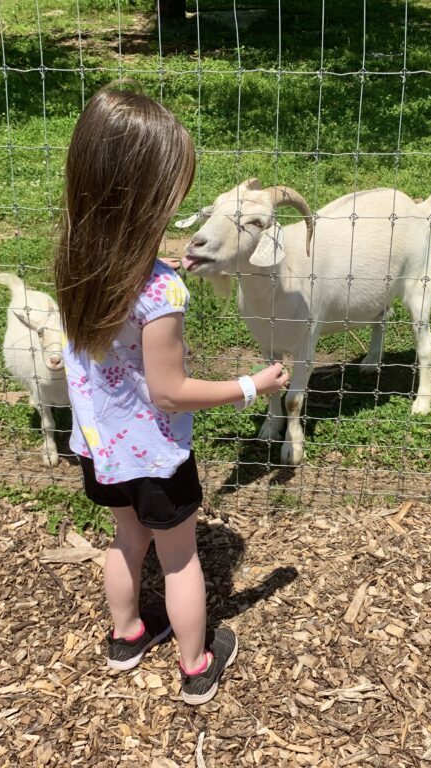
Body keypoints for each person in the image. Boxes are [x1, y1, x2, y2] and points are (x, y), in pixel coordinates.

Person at [54, 83, 289, 706]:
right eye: (172, 194)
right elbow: (169, 392)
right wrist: (251, 384)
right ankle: (196, 665)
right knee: (180, 559)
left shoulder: (75, 259)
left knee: (125, 540)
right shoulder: (159, 293)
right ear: (145, 202)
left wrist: (160, 275)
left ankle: (126, 636)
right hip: (155, 458)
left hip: (99, 449)